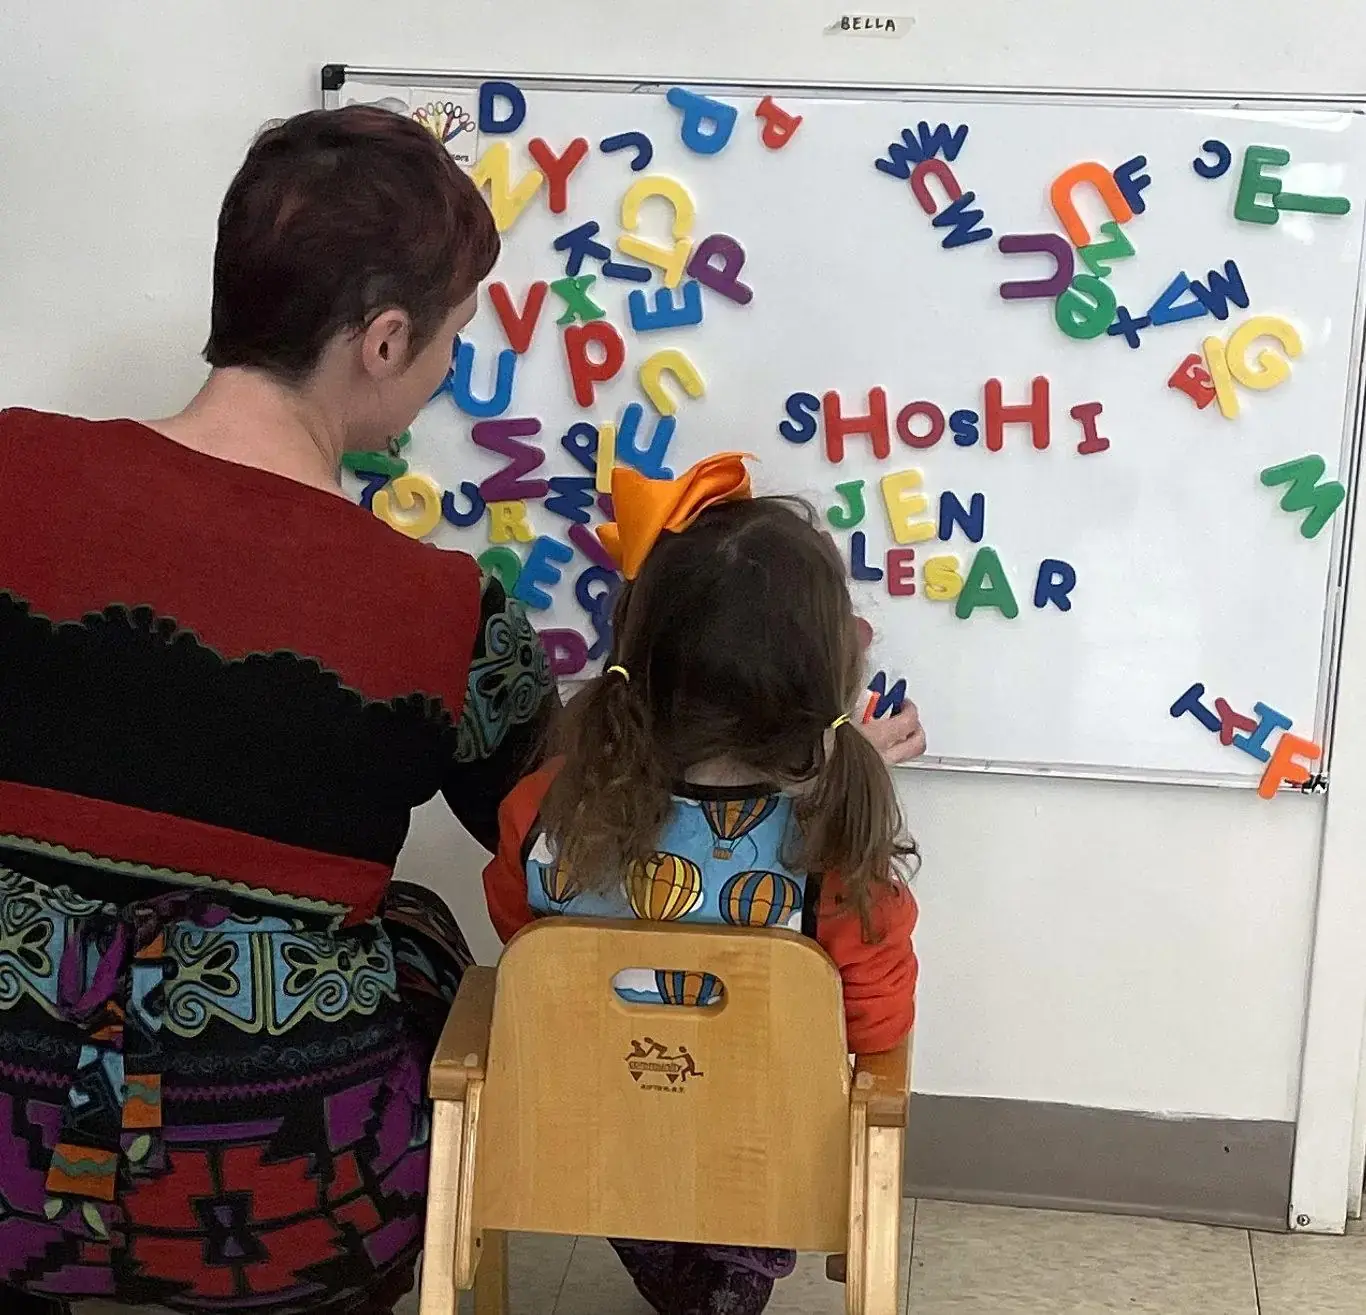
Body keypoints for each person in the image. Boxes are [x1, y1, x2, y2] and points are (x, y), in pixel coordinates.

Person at [0, 107, 557, 1314]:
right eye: (448, 345)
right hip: (283, 1221)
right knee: (412, 927)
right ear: (384, 338)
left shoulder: (10, 469)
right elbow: (568, 840)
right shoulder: (444, 611)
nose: (443, 377)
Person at [483, 453, 921, 1315]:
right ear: (823, 676)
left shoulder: (545, 805)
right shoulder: (830, 851)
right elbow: (879, 1020)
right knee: (760, 1101)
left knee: (636, 1092)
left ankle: (686, 1247)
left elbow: (520, 931)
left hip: (581, 1126)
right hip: (763, 1140)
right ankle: (723, 1258)